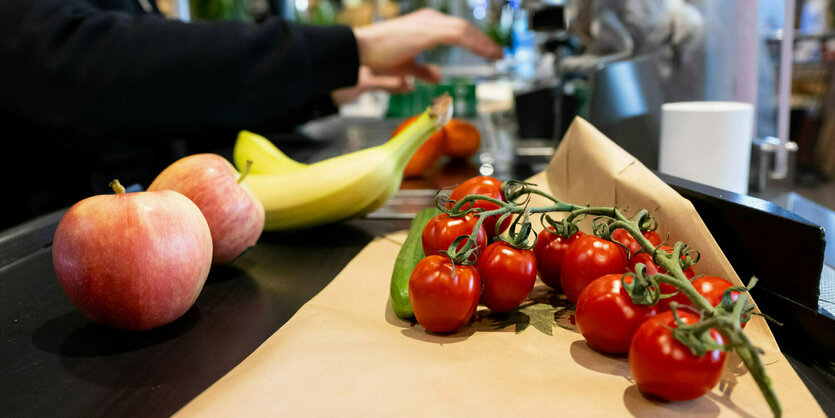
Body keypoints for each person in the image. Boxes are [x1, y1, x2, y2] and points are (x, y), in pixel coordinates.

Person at [0, 1, 502, 230]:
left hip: (152, 239)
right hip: (41, 254)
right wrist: (351, 46)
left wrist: (328, 94)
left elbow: (175, 102)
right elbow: (97, 69)